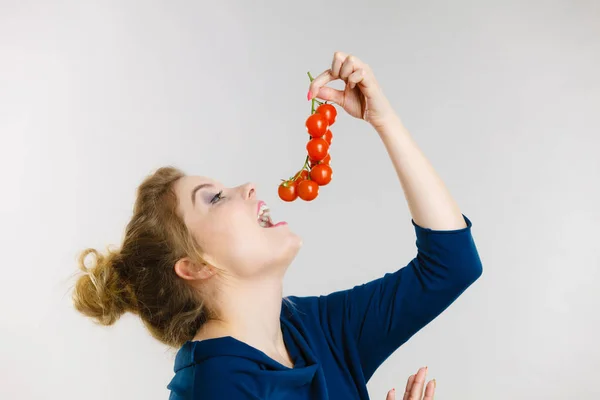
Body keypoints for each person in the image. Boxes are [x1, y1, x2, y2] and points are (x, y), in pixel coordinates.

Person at [72, 52, 482, 399]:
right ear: (194, 265)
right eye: (214, 198)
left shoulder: (312, 327)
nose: (249, 187)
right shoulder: (213, 387)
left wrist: (384, 119)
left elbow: (452, 264)